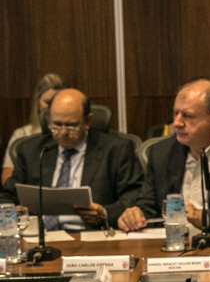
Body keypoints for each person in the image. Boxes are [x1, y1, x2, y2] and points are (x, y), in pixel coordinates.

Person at [117, 79, 210, 232]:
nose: (176, 123)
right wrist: (135, 215)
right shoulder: (160, 152)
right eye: (176, 113)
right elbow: (147, 207)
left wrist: (203, 216)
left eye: (187, 116)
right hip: (172, 243)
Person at [1, 88, 143, 230]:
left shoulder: (116, 150)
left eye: (70, 125)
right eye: (56, 124)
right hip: (40, 236)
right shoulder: (31, 151)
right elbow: (7, 196)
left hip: (94, 235)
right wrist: (15, 212)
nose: (62, 132)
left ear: (87, 121)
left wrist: (105, 213)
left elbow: (134, 196)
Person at [2, 73, 68, 184]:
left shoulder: (69, 134)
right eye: (48, 102)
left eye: (57, 101)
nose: (52, 107)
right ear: (37, 102)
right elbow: (7, 176)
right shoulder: (22, 134)